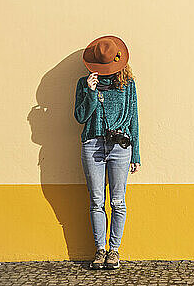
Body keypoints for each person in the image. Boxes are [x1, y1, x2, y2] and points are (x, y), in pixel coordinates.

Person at [74, 35, 141, 270]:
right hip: (92, 145)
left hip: (121, 148)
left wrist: (136, 155)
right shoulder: (84, 83)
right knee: (96, 201)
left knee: (118, 202)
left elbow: (134, 120)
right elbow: (80, 117)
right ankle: (100, 250)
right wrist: (91, 92)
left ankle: (114, 251)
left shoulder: (127, 84)